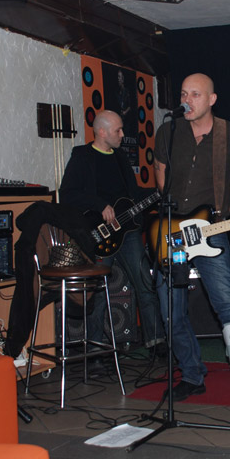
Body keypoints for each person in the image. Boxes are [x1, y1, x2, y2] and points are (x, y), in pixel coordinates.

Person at [153, 73, 230, 418]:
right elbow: (159, 169)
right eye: (183, 93)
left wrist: (215, 221)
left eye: (195, 94)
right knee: (170, 308)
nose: (187, 100)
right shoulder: (168, 131)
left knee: (227, 302)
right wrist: (171, 216)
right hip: (171, 231)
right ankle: (192, 375)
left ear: (212, 99)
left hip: (211, 231)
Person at [60, 110, 167, 358]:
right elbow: (67, 194)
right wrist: (100, 205)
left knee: (145, 283)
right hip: (99, 233)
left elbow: (132, 195)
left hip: (128, 232)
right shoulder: (82, 156)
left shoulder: (120, 157)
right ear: (101, 132)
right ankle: (95, 350)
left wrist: (160, 192)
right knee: (97, 290)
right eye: (118, 130)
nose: (122, 134)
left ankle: (156, 341)